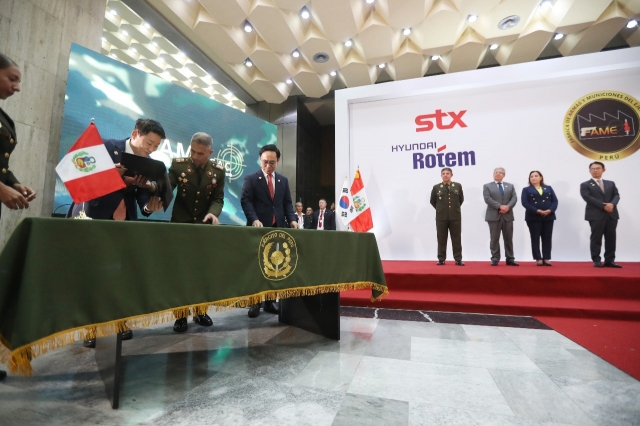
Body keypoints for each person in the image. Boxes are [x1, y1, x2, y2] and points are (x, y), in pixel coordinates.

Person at [68, 118, 165, 347]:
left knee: (122, 275)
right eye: (149, 143)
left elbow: (141, 197)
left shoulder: (148, 163)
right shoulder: (104, 146)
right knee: (94, 275)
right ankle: (90, 327)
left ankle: (119, 322)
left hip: (125, 223)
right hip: (94, 218)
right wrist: (110, 173)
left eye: (155, 147)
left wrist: (148, 206)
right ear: (135, 133)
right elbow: (80, 174)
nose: (150, 149)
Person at [0, 53, 37, 381]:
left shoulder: (4, 118)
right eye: (12, 78)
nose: (17, 87)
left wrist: (14, 184)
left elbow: (1, 165)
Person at [168, 132, 225, 332]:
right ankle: (181, 315)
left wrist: (213, 214)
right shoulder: (178, 165)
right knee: (180, 272)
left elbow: (218, 198)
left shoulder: (218, 171)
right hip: (181, 227)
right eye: (192, 150)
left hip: (203, 228)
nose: (194, 156)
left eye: (200, 153)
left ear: (210, 152)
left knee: (202, 272)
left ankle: (200, 311)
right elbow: (167, 189)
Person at [241, 144, 298, 317]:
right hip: (258, 228)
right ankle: (254, 302)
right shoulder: (251, 179)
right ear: (260, 160)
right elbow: (246, 201)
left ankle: (270, 301)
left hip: (277, 228)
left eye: (272, 163)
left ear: (278, 161)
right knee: (257, 266)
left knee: (275, 265)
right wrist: (254, 219)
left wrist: (293, 220)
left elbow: (287, 203)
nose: (268, 166)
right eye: (265, 162)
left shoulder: (283, 180)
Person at [580, 162, 621, 268]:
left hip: (611, 214)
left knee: (611, 238)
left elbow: (616, 195)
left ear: (604, 170)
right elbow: (587, 197)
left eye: (598, 168)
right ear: (589, 171)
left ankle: (609, 260)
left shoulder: (610, 183)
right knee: (596, 238)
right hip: (595, 215)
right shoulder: (585, 185)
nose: (595, 170)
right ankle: (596, 260)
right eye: (592, 169)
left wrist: (612, 204)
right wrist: (604, 206)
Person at [483, 168, 518, 266]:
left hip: (508, 215)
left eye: (500, 173)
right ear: (493, 174)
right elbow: (487, 199)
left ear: (504, 175)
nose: (498, 174)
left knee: (508, 238)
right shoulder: (487, 186)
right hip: (493, 216)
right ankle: (495, 258)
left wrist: (508, 207)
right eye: (496, 172)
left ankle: (510, 258)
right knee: (494, 238)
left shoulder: (510, 186)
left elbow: (514, 198)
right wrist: (500, 206)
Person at [521, 171, 558, 266]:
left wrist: (550, 210)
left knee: (547, 238)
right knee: (535, 237)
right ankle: (538, 258)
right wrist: (537, 210)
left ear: (541, 177)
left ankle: (546, 258)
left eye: (536, 176)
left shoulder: (548, 188)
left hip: (548, 216)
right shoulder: (526, 189)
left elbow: (554, 201)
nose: (533, 178)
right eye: (531, 176)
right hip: (533, 217)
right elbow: (525, 203)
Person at [429, 168, 464, 266]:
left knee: (456, 238)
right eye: (443, 173)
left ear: (451, 175)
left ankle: (458, 259)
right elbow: (432, 201)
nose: (445, 175)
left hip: (455, 216)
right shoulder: (436, 187)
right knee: (441, 238)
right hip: (441, 217)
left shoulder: (457, 186)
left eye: (447, 173)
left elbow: (460, 200)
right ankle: (441, 259)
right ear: (441, 175)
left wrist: (453, 209)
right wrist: (441, 209)